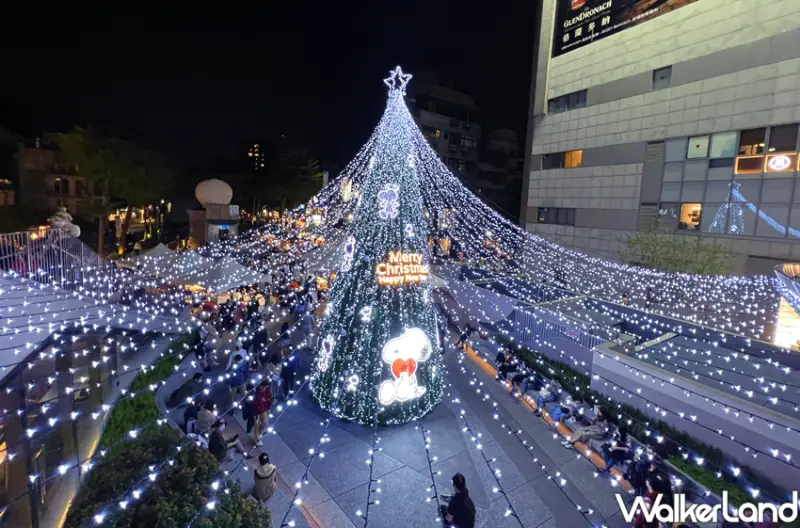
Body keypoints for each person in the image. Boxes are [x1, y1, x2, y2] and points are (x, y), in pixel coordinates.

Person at [252, 380, 272, 446]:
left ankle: (259, 434)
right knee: (256, 425)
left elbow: (269, 399)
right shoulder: (255, 390)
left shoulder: (267, 389)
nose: (264, 389)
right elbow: (253, 402)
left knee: (265, 423)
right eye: (263, 387)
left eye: (265, 387)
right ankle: (256, 439)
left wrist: (269, 408)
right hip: (256, 411)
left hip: (264, 409)